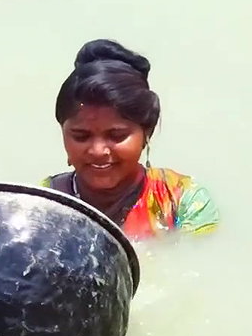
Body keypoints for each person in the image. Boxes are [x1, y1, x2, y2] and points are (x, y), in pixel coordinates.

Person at [41, 39, 220, 239]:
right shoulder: (43, 204)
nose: (98, 151)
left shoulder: (183, 201)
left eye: (116, 136)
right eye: (81, 136)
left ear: (147, 132)